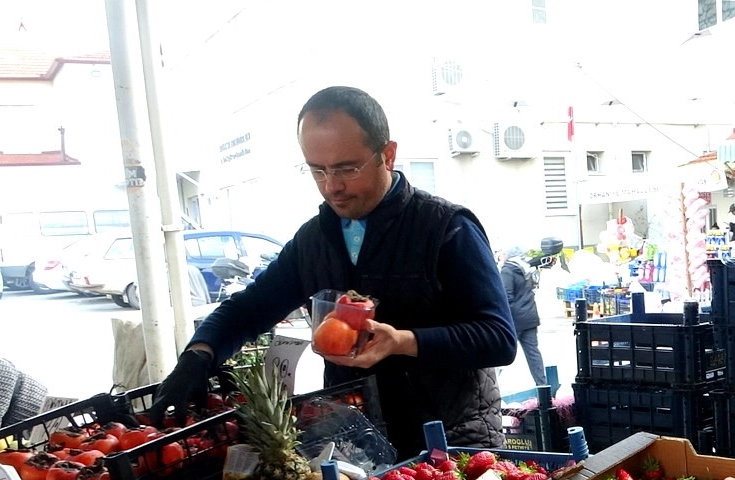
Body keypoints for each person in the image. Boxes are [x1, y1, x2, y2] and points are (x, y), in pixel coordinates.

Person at [147, 86, 517, 456]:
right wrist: (199, 353)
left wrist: (402, 341)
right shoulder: (313, 240)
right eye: (317, 170)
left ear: (387, 155)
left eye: (346, 169)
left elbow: (498, 338)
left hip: (453, 443)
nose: (332, 186)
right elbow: (250, 308)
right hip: (359, 444)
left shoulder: (446, 228)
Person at [499, 247, 548, 388]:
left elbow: (506, 296)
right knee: (533, 354)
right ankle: (543, 386)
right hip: (530, 316)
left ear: (508, 254)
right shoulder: (527, 268)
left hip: (515, 320)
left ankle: (492, 387)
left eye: (503, 252)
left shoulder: (508, 270)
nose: (501, 254)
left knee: (500, 352)